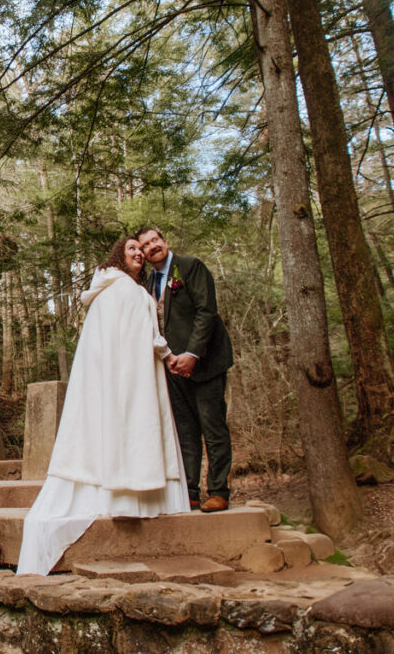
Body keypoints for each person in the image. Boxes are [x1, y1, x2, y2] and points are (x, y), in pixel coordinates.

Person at [16, 237, 190, 576]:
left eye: (140, 249)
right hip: (128, 376)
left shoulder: (118, 287)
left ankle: (134, 495)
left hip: (133, 372)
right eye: (131, 249)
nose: (139, 252)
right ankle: (127, 496)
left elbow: (146, 332)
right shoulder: (121, 288)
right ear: (118, 256)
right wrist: (165, 356)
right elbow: (136, 335)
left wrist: (165, 356)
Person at [135, 227, 234, 513]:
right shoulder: (150, 281)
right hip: (174, 368)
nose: (152, 246)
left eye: (155, 240)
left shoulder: (190, 267)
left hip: (206, 362)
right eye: (146, 245)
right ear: (143, 253)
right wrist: (171, 359)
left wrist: (192, 354)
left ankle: (218, 491)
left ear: (164, 241)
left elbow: (206, 311)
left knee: (212, 426)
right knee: (185, 432)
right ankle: (189, 492)